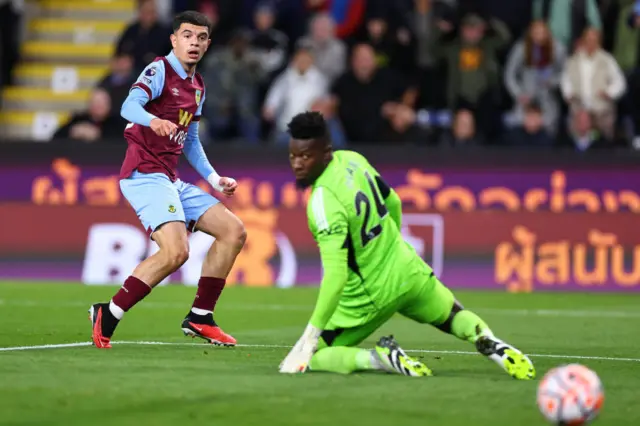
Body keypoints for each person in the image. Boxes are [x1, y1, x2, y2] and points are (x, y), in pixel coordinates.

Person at [278, 111, 535, 379]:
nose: (298, 164)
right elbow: (395, 202)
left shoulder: (322, 201)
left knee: (316, 356)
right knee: (453, 314)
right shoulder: (353, 160)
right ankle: (489, 340)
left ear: (326, 153)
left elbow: (336, 275)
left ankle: (378, 358)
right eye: (293, 156)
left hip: (368, 295)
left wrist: (311, 335)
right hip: (407, 267)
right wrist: (391, 250)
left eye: (306, 156)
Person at [88, 11, 246, 349]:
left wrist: (215, 179)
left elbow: (190, 141)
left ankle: (200, 316)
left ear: (207, 44)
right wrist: (152, 120)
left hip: (169, 178)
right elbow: (128, 107)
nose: (194, 42)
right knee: (176, 252)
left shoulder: (197, 86)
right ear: (174, 39)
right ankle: (109, 312)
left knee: (233, 231)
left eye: (201, 37)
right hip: (144, 173)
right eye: (187, 35)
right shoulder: (160, 70)